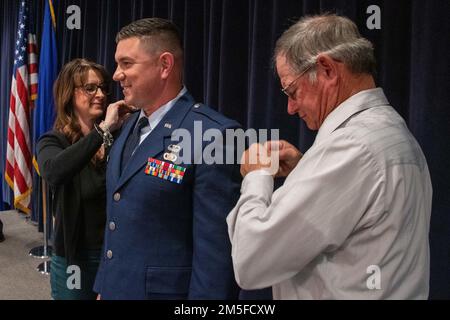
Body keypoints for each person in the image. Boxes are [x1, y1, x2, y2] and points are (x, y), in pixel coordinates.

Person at [227, 14, 432, 299]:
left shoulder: (351, 148)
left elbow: (250, 263)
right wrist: (304, 169)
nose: (290, 107)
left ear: (326, 69)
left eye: (292, 90)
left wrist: (257, 175)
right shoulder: (391, 131)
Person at [93, 18, 241, 300]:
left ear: (164, 65)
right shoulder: (129, 126)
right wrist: (105, 285)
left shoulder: (215, 134)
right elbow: (118, 219)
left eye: (126, 63)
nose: (116, 75)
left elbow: (216, 254)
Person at [37, 59, 132, 299]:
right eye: (90, 88)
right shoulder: (53, 141)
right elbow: (54, 172)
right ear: (70, 94)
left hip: (115, 254)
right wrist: (102, 132)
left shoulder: (117, 135)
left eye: (102, 87)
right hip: (75, 258)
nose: (100, 94)